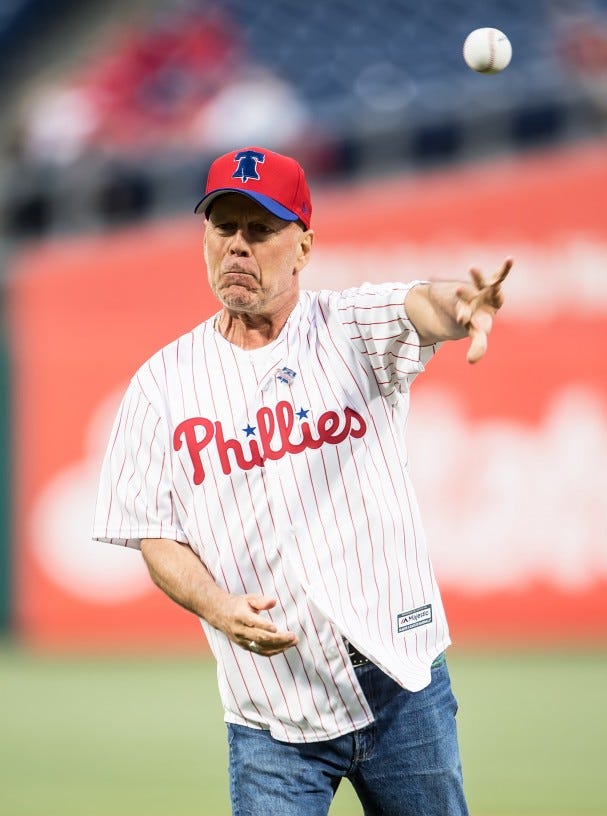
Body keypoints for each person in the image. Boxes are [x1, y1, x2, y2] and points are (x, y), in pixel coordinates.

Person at [93, 145, 512, 816]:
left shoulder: (348, 328)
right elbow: (154, 536)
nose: (237, 246)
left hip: (401, 684)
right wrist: (214, 604)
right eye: (223, 227)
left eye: (259, 229)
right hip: (271, 712)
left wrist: (459, 305)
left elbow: (419, 306)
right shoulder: (160, 385)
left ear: (304, 247)